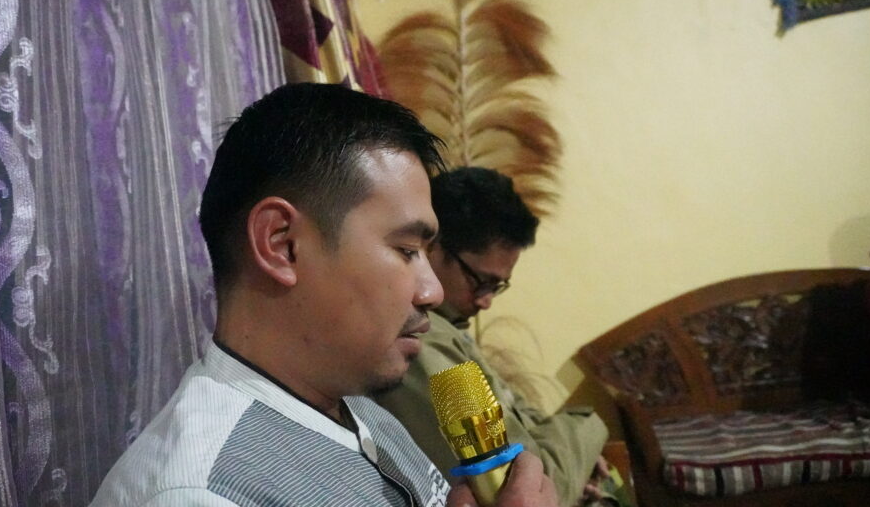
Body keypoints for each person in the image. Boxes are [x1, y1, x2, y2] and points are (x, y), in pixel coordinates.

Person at [90, 84, 559, 506]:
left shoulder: (363, 412)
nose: (432, 291)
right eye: (406, 250)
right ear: (282, 244)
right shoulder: (201, 492)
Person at [374, 167, 610, 507]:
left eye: (497, 287)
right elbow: (526, 487)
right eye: (481, 281)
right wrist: (586, 428)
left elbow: (529, 424)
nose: (486, 302)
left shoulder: (451, 329)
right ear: (432, 247)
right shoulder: (419, 338)